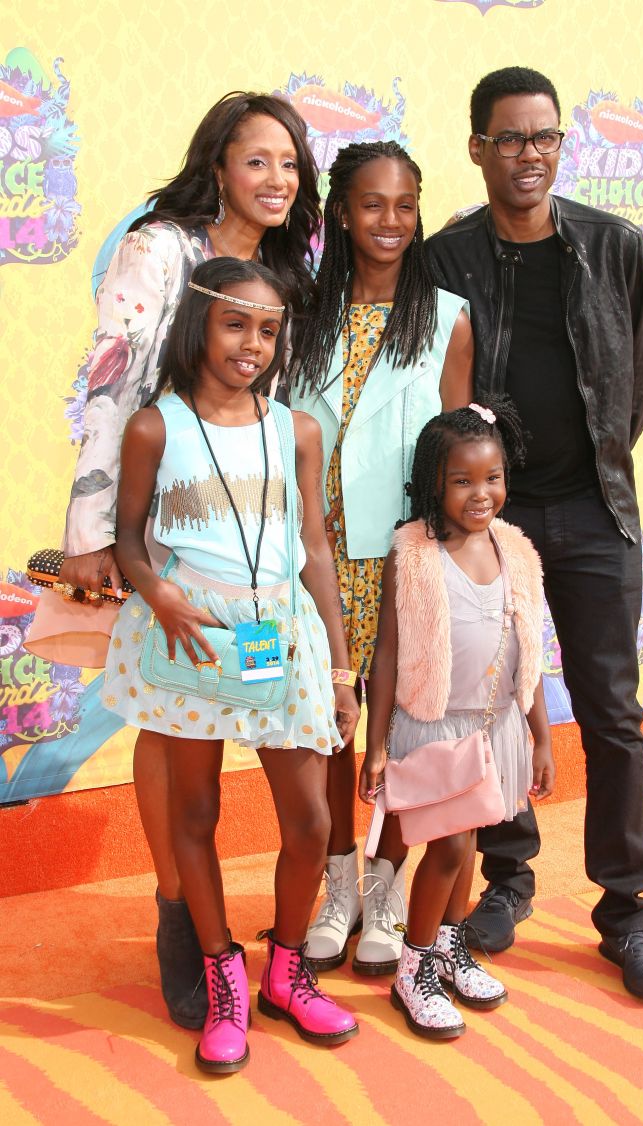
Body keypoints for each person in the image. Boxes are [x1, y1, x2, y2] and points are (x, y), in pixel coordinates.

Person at [26, 91, 321, 1029]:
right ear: (218, 165)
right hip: (153, 520)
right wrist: (93, 536)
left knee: (221, 710)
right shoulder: (160, 246)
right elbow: (112, 381)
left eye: (290, 163)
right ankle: (176, 910)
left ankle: (233, 936)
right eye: (257, 161)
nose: (277, 180)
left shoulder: (281, 264)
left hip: (244, 537)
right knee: (169, 719)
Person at [425, 65, 643, 1001]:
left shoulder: (612, 244)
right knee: (489, 703)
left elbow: (641, 371)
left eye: (544, 137)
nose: (528, 155)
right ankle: (505, 883)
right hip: (491, 522)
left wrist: (596, 467)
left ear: (561, 145)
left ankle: (627, 916)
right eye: (509, 139)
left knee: (613, 716)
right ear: (477, 148)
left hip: (593, 514)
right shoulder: (448, 258)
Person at [102, 257, 361, 1073]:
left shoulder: (297, 429)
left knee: (313, 822)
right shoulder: (156, 426)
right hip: (191, 643)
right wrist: (159, 594)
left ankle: (286, 970)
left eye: (270, 329)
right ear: (199, 324)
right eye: (235, 324)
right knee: (194, 814)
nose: (253, 344)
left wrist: (344, 667)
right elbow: (130, 538)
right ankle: (222, 977)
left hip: (279, 641)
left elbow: (315, 546)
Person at [289, 140, 474, 975]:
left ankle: (389, 887)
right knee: (332, 728)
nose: (389, 221)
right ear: (339, 211)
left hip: (405, 561)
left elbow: (459, 449)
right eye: (371, 204)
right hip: (318, 562)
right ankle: (338, 882)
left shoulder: (445, 317)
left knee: (406, 728)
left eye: (404, 204)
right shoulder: (298, 315)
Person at [359, 399, 553, 1038]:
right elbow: (386, 653)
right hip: (437, 726)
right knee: (447, 849)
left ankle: (446, 942)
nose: (481, 493)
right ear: (432, 483)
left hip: (496, 725)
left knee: (468, 850)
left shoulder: (516, 550)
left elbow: (531, 647)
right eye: (463, 480)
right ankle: (412, 970)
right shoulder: (413, 553)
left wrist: (539, 736)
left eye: (492, 477)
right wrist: (378, 743)